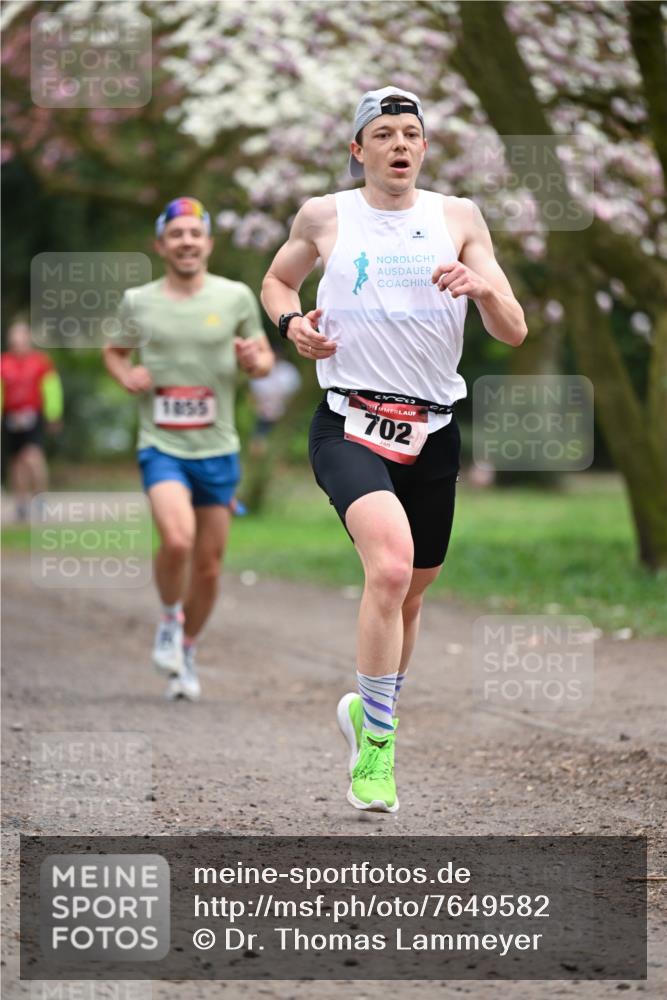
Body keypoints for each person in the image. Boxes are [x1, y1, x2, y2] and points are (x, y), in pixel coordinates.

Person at [261, 87, 526, 812]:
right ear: (358, 149)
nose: (400, 144)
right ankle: (376, 751)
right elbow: (277, 280)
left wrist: (482, 289)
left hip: (434, 429)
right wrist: (291, 325)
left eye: (411, 132)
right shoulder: (324, 215)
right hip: (348, 423)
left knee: (411, 595)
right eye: (383, 133)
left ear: (423, 147)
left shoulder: (458, 217)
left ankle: (365, 711)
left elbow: (513, 330)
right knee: (388, 568)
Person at [104, 196, 273, 701]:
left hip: (218, 448)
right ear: (161, 245)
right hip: (162, 444)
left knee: (209, 565)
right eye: (176, 234)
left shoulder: (235, 297)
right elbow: (114, 350)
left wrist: (252, 360)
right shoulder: (139, 301)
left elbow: (262, 356)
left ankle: (189, 650)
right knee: (176, 541)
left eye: (195, 234)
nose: (186, 242)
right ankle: (168, 620)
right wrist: (127, 374)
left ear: (208, 244)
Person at [1, 319, 63, 521]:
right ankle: (21, 503)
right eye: (14, 337)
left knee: (33, 456)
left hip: (33, 415)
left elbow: (51, 389)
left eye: (21, 337)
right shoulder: (4, 363)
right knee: (16, 461)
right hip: (10, 416)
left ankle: (40, 498)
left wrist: (53, 414)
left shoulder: (40, 362)